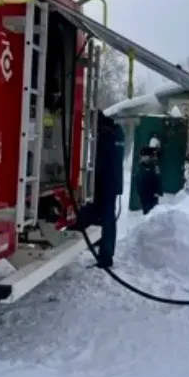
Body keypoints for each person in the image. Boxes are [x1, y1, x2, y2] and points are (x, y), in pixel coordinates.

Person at [76, 111, 124, 268]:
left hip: (105, 183)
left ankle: (106, 256)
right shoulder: (118, 132)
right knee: (103, 216)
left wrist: (89, 180)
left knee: (106, 218)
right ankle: (101, 245)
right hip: (113, 182)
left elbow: (100, 163)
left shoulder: (105, 135)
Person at [137, 137, 162, 215]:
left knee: (151, 212)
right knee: (148, 211)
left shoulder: (153, 166)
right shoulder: (143, 167)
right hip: (146, 194)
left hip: (151, 194)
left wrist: (158, 191)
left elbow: (158, 178)